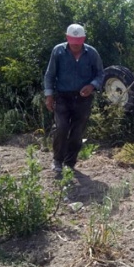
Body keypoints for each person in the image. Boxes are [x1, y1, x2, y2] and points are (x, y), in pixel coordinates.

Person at [44, 23, 104, 174]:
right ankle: (57, 160)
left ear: (83, 39)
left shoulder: (92, 53)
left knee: (77, 132)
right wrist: (49, 95)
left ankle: (70, 163)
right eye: (73, 42)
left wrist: (92, 86)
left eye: (79, 43)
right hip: (62, 96)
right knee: (62, 128)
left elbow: (100, 74)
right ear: (67, 38)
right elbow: (50, 74)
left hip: (83, 99)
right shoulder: (58, 51)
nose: (76, 46)